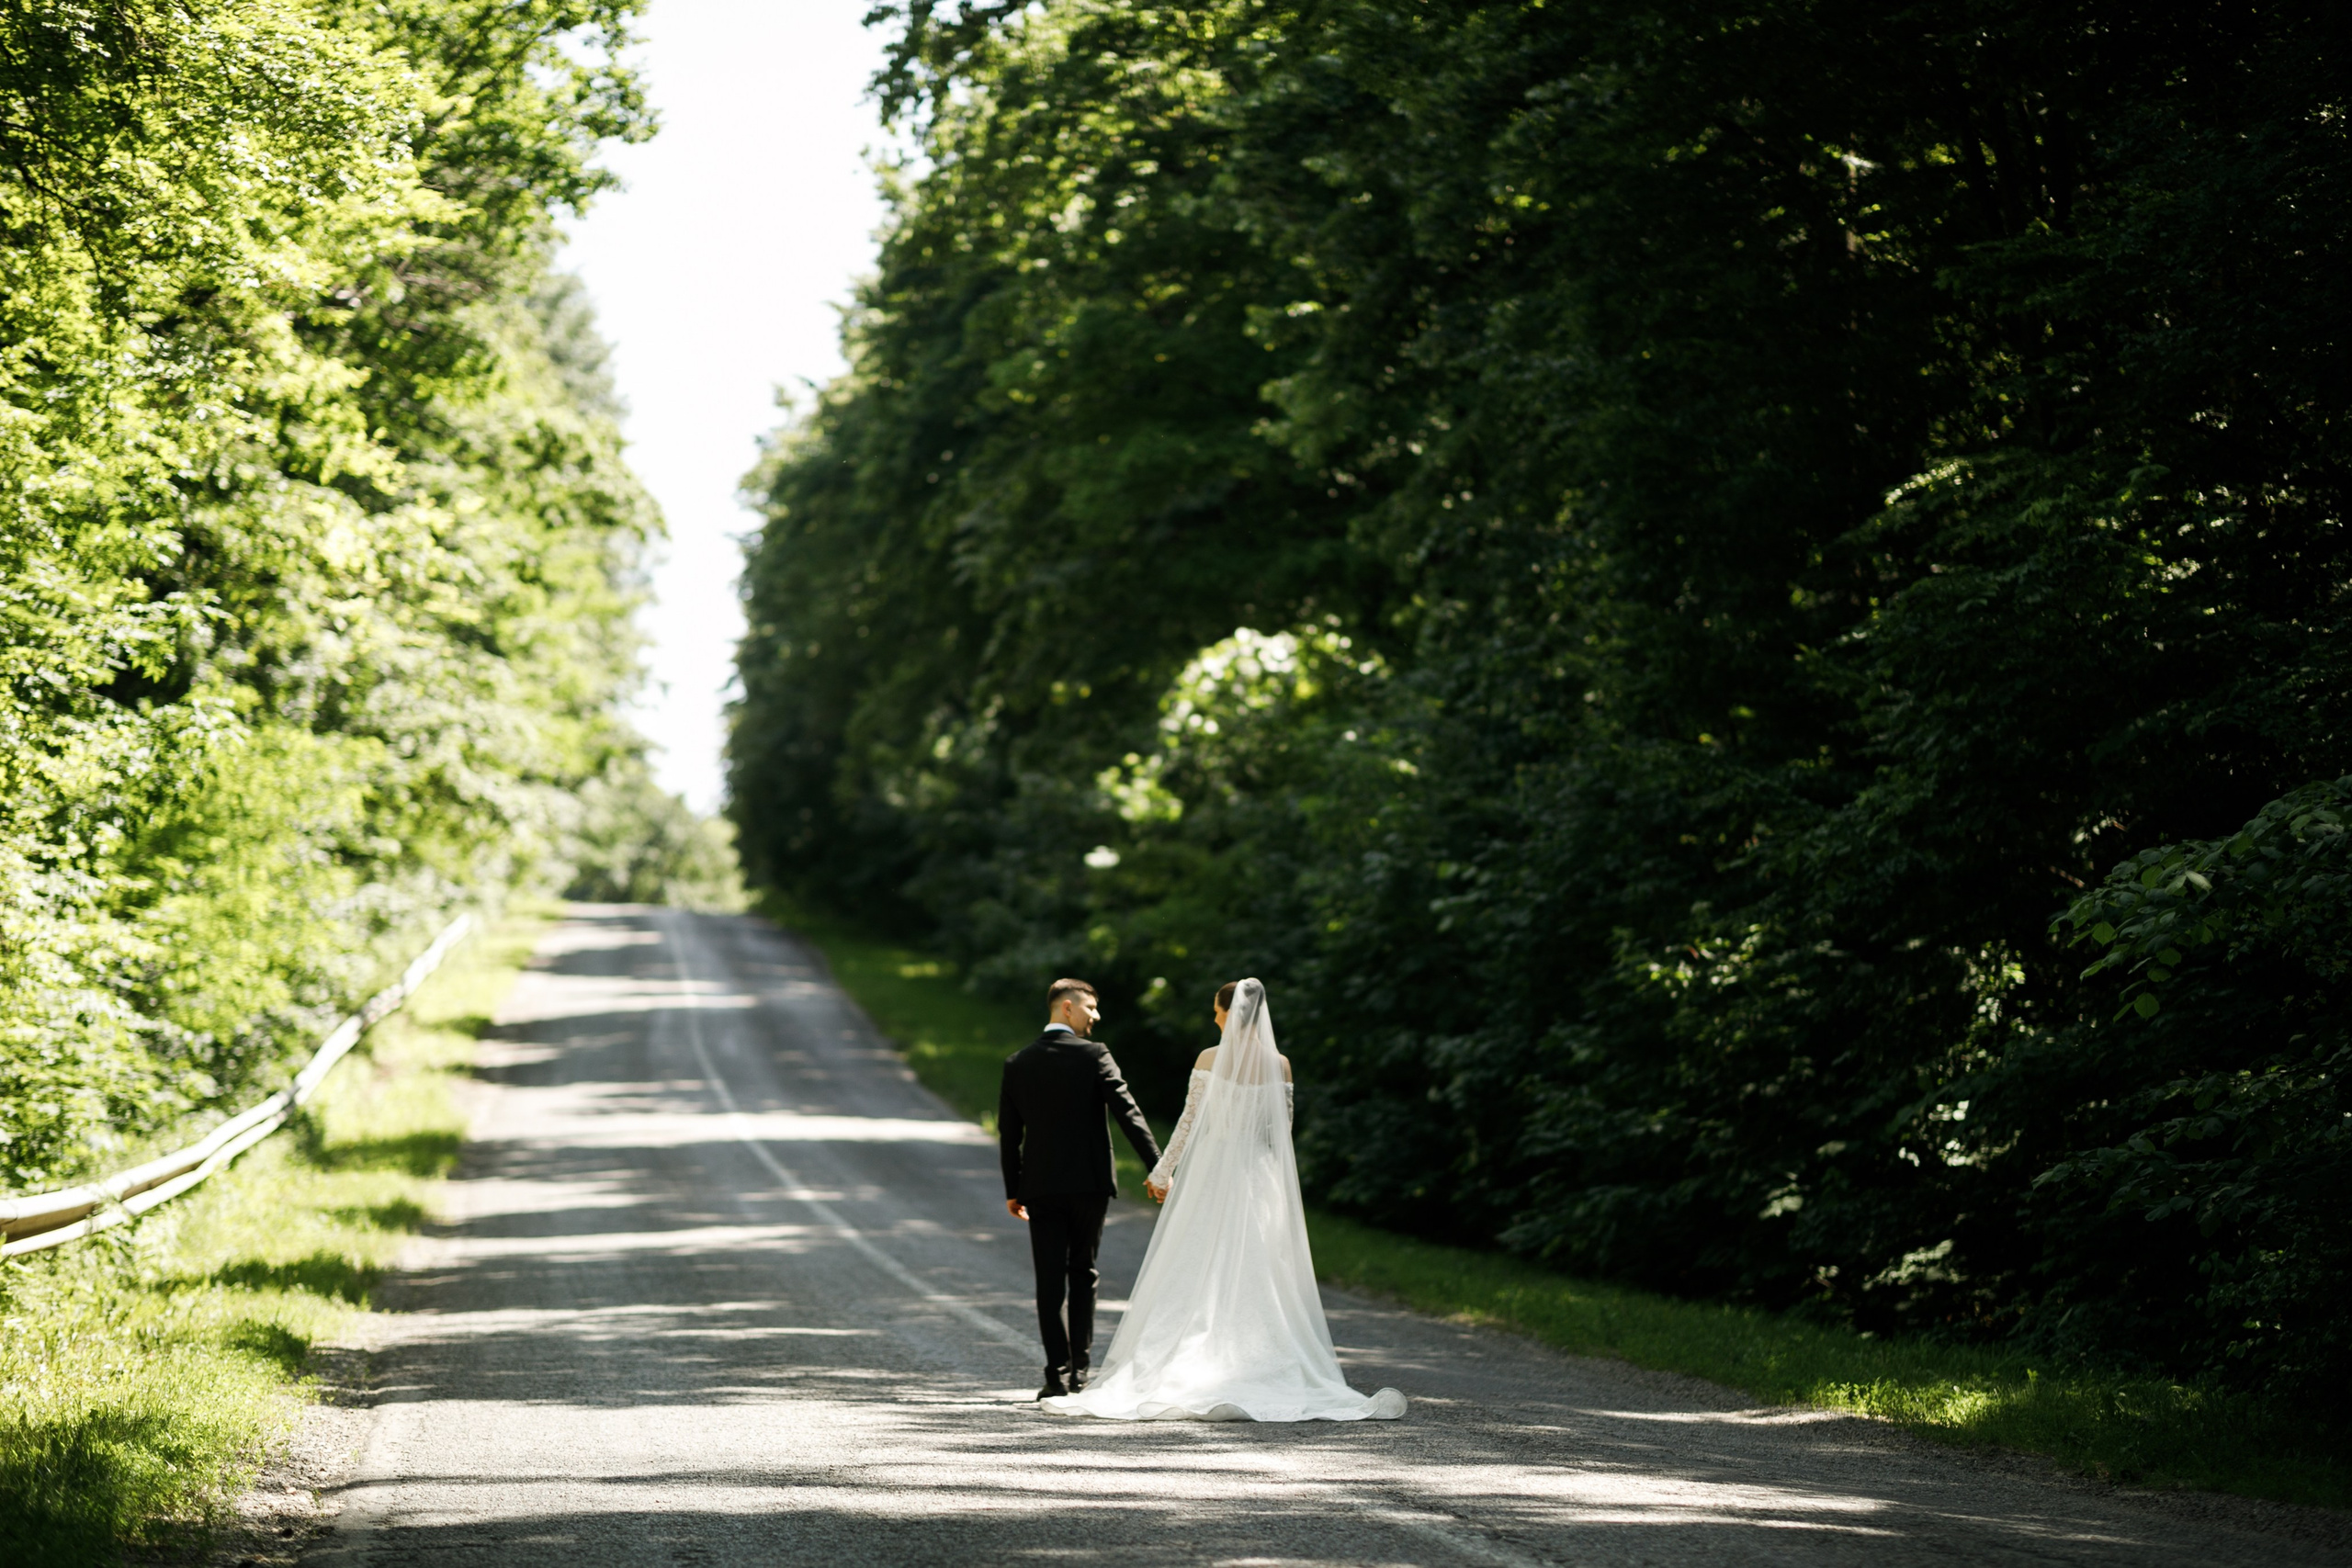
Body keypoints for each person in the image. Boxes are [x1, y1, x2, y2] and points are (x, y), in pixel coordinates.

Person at [1043, 977, 1406, 1422]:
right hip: (1257, 1176)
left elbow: (1189, 1122)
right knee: (1259, 1267)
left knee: (1197, 1262)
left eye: (1217, 1012)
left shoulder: (1210, 1060)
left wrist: (1163, 1171)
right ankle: (1257, 1359)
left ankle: (1195, 1359)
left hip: (1212, 1173)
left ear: (1228, 1014)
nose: (1214, 1019)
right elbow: (1280, 1135)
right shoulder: (1281, 1065)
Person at [999, 977, 1163, 1400]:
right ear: (1067, 1008)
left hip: (1040, 1186)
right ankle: (1080, 1373)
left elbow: (1009, 1135)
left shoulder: (1018, 1063)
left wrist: (1013, 1189)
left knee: (1049, 1278)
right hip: (1089, 1183)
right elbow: (1128, 1112)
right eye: (1090, 1007)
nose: (1096, 1016)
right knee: (1083, 1273)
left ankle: (1055, 1373)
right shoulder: (1095, 1055)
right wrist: (1157, 1167)